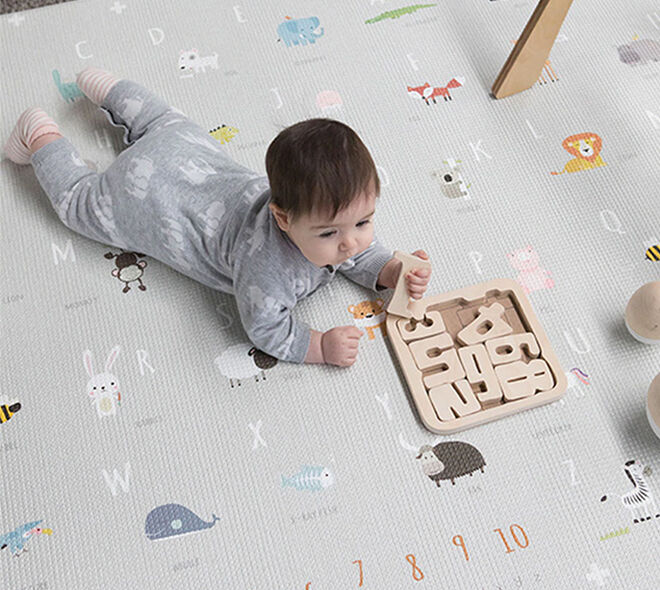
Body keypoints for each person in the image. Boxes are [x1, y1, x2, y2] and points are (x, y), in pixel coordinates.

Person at [5, 68, 431, 366]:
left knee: (161, 121)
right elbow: (265, 329)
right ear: (282, 219)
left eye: (363, 222)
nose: (351, 242)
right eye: (331, 232)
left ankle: (109, 87)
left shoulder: (323, 224)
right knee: (80, 203)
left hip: (187, 152)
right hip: (145, 198)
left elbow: (355, 256)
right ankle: (41, 136)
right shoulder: (268, 273)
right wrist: (318, 345)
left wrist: (392, 270)